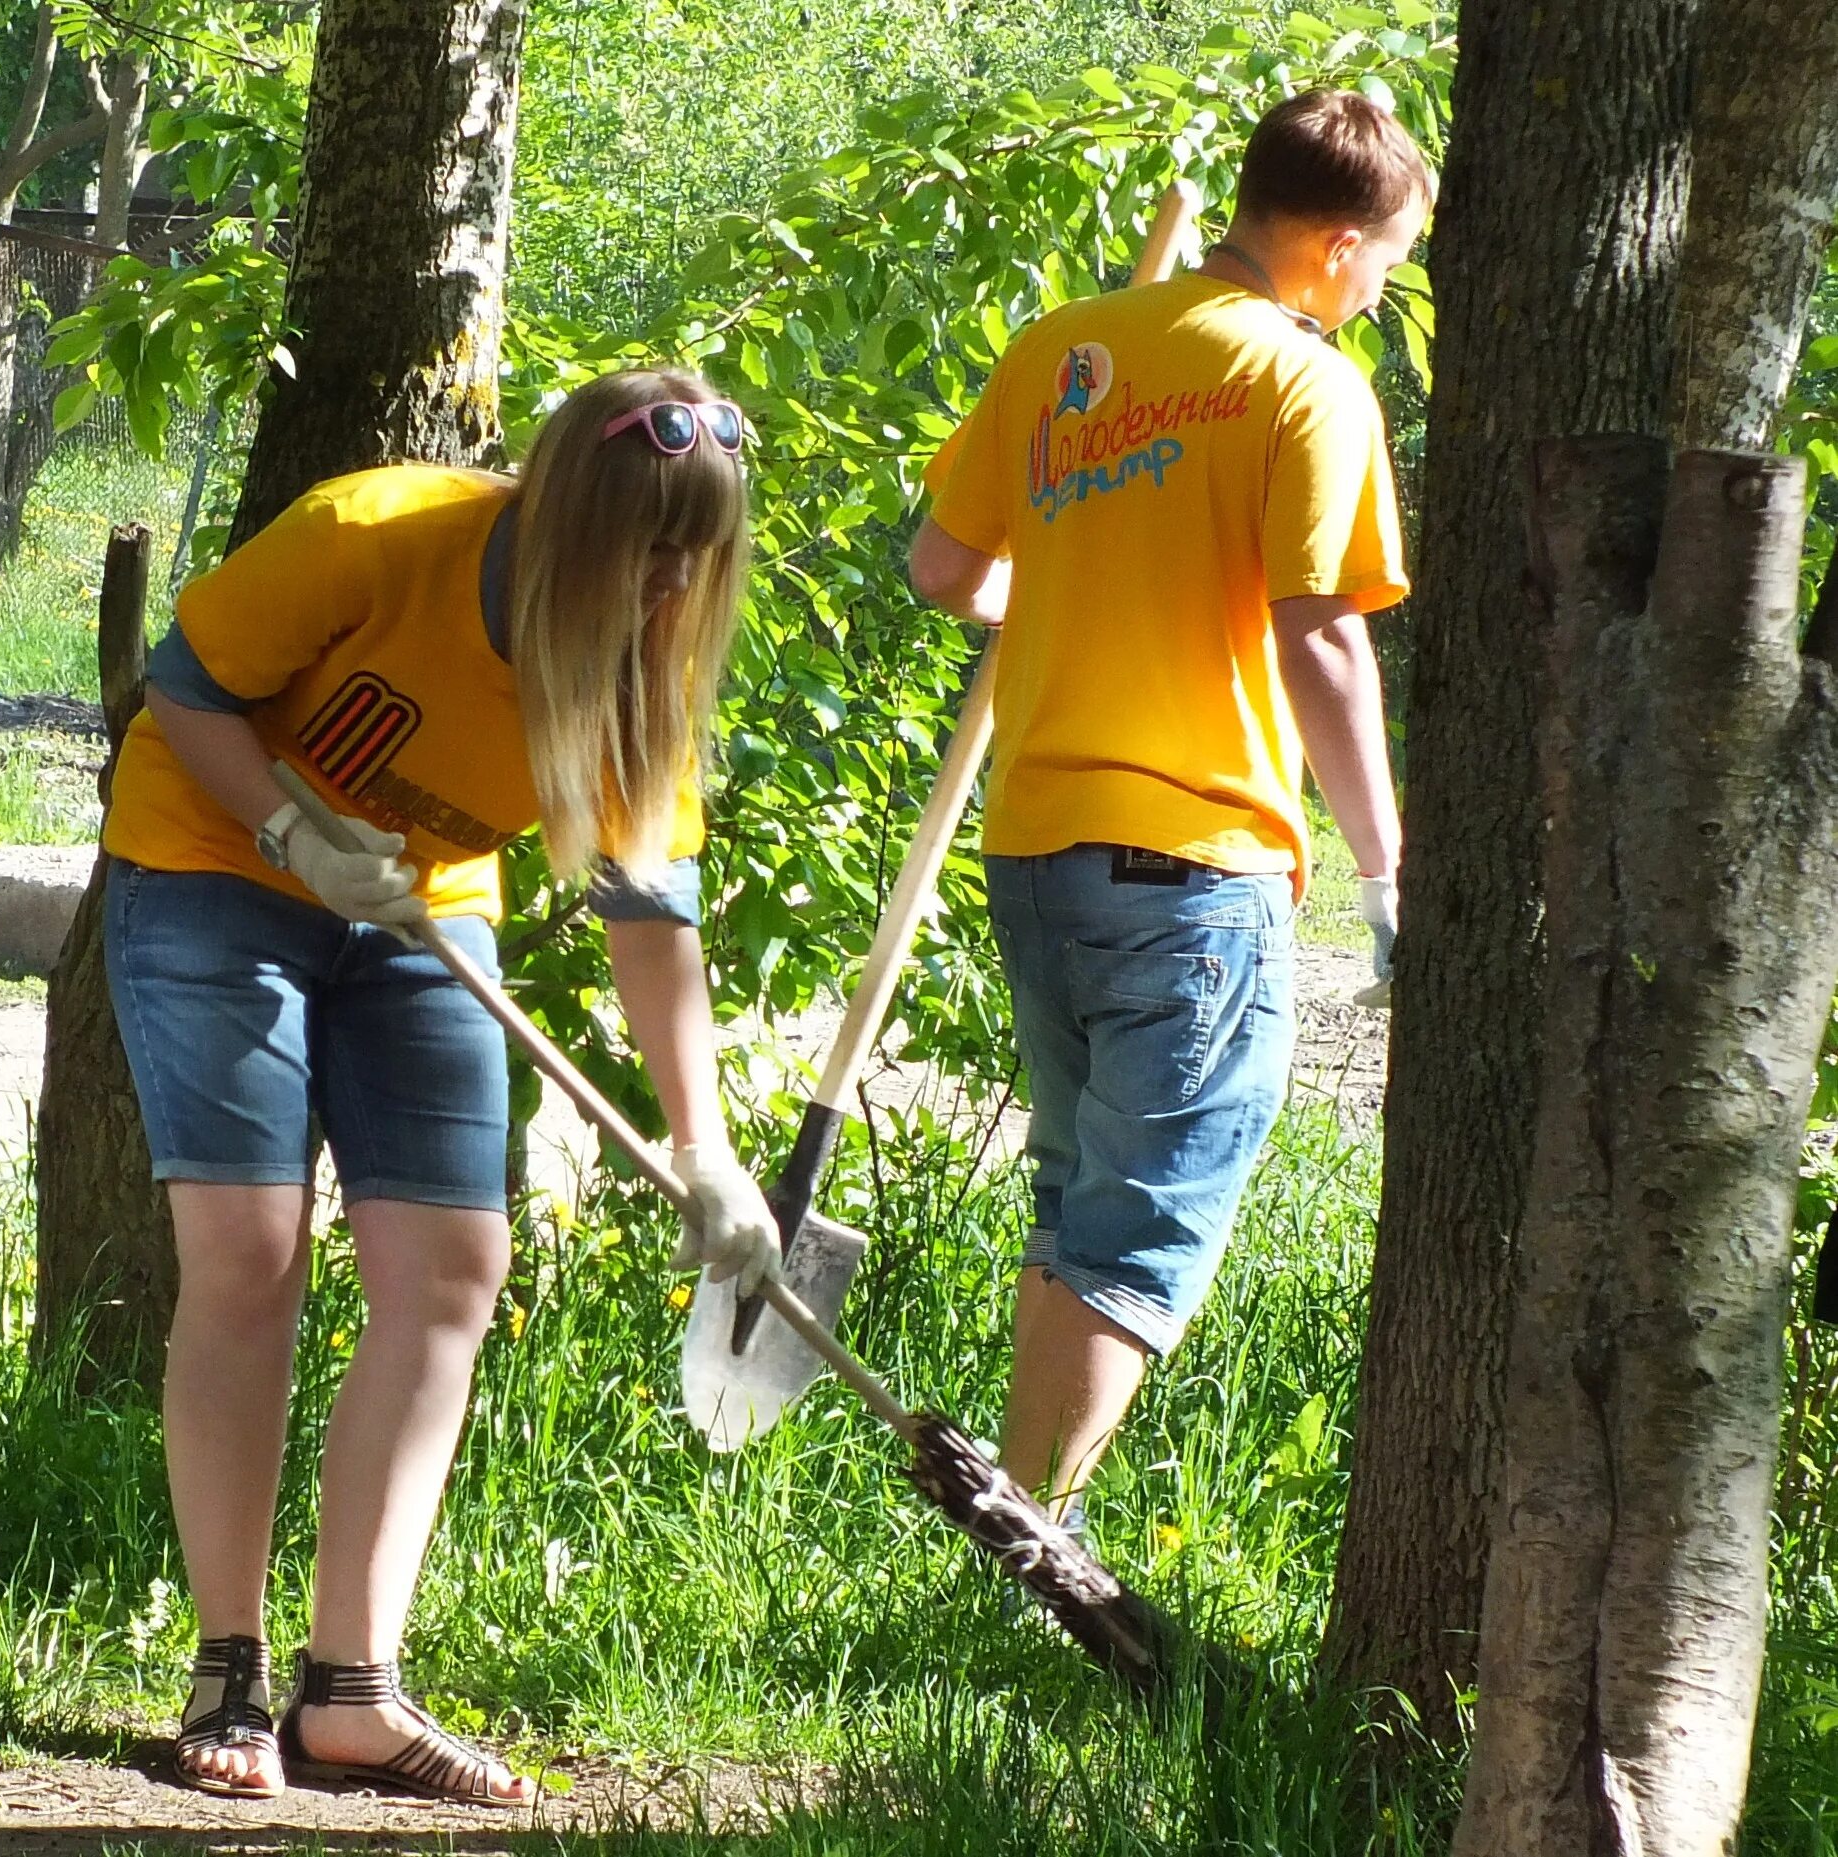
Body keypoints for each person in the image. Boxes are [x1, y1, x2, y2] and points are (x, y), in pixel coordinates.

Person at [101, 368, 783, 1803]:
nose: (668, 580)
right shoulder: (374, 533)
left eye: (693, 552)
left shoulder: (644, 669)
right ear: (562, 516)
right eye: (648, 543)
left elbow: (652, 921)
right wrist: (290, 825)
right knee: (250, 1251)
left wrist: (706, 1147)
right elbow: (186, 684)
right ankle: (226, 1664)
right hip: (213, 862)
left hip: (418, 907)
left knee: (455, 1268)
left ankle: (351, 1689)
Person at [906, 90, 1428, 1543]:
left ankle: (1007, 1523)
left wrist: (1069, 586)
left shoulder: (1067, 350)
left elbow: (945, 566)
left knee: (1077, 1195)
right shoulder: (1306, 384)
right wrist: (1385, 877)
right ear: (1333, 244)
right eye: (1386, 260)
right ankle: (1035, 1545)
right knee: (1145, 1217)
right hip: (1194, 860)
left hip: (1038, 843)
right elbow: (1322, 635)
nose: (1380, 289)